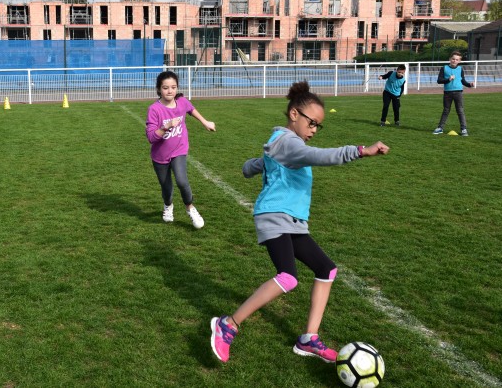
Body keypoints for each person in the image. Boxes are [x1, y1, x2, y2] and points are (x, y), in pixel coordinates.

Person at [210, 81, 389, 364]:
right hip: (275, 217)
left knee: (326, 269)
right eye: (312, 123)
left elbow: (261, 162)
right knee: (288, 277)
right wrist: (360, 151)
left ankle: (308, 339)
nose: (314, 130)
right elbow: (315, 156)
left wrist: (252, 166)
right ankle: (228, 324)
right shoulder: (290, 143)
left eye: (319, 126)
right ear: (295, 114)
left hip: (292, 222)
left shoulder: (284, 143)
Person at [145, 70, 216, 229]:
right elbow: (151, 137)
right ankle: (168, 206)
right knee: (167, 188)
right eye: (165, 88)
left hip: (179, 150)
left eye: (173, 87)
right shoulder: (154, 110)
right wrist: (166, 126)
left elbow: (191, 109)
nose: (170, 91)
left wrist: (205, 122)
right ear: (158, 89)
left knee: (182, 181)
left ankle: (190, 208)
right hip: (160, 156)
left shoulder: (182, 101)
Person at [433, 51, 474, 136]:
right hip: (447, 93)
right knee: (446, 110)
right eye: (453, 59)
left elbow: (463, 81)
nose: (454, 61)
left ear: (459, 61)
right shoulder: (444, 68)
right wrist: (448, 79)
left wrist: (469, 84)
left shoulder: (460, 69)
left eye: (457, 59)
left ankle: (464, 129)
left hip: (458, 93)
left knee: (460, 111)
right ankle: (440, 128)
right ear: (450, 59)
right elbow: (439, 80)